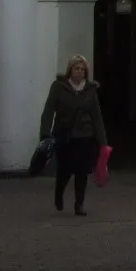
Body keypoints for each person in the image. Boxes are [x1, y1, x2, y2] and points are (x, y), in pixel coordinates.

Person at [39, 56, 107, 217]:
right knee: (65, 170)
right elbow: (49, 110)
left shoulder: (90, 89)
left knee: (82, 171)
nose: (80, 72)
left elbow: (97, 116)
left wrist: (102, 141)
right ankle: (59, 193)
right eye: (77, 68)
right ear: (70, 70)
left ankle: (79, 204)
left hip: (85, 135)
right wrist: (45, 133)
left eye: (83, 70)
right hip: (64, 134)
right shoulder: (58, 87)